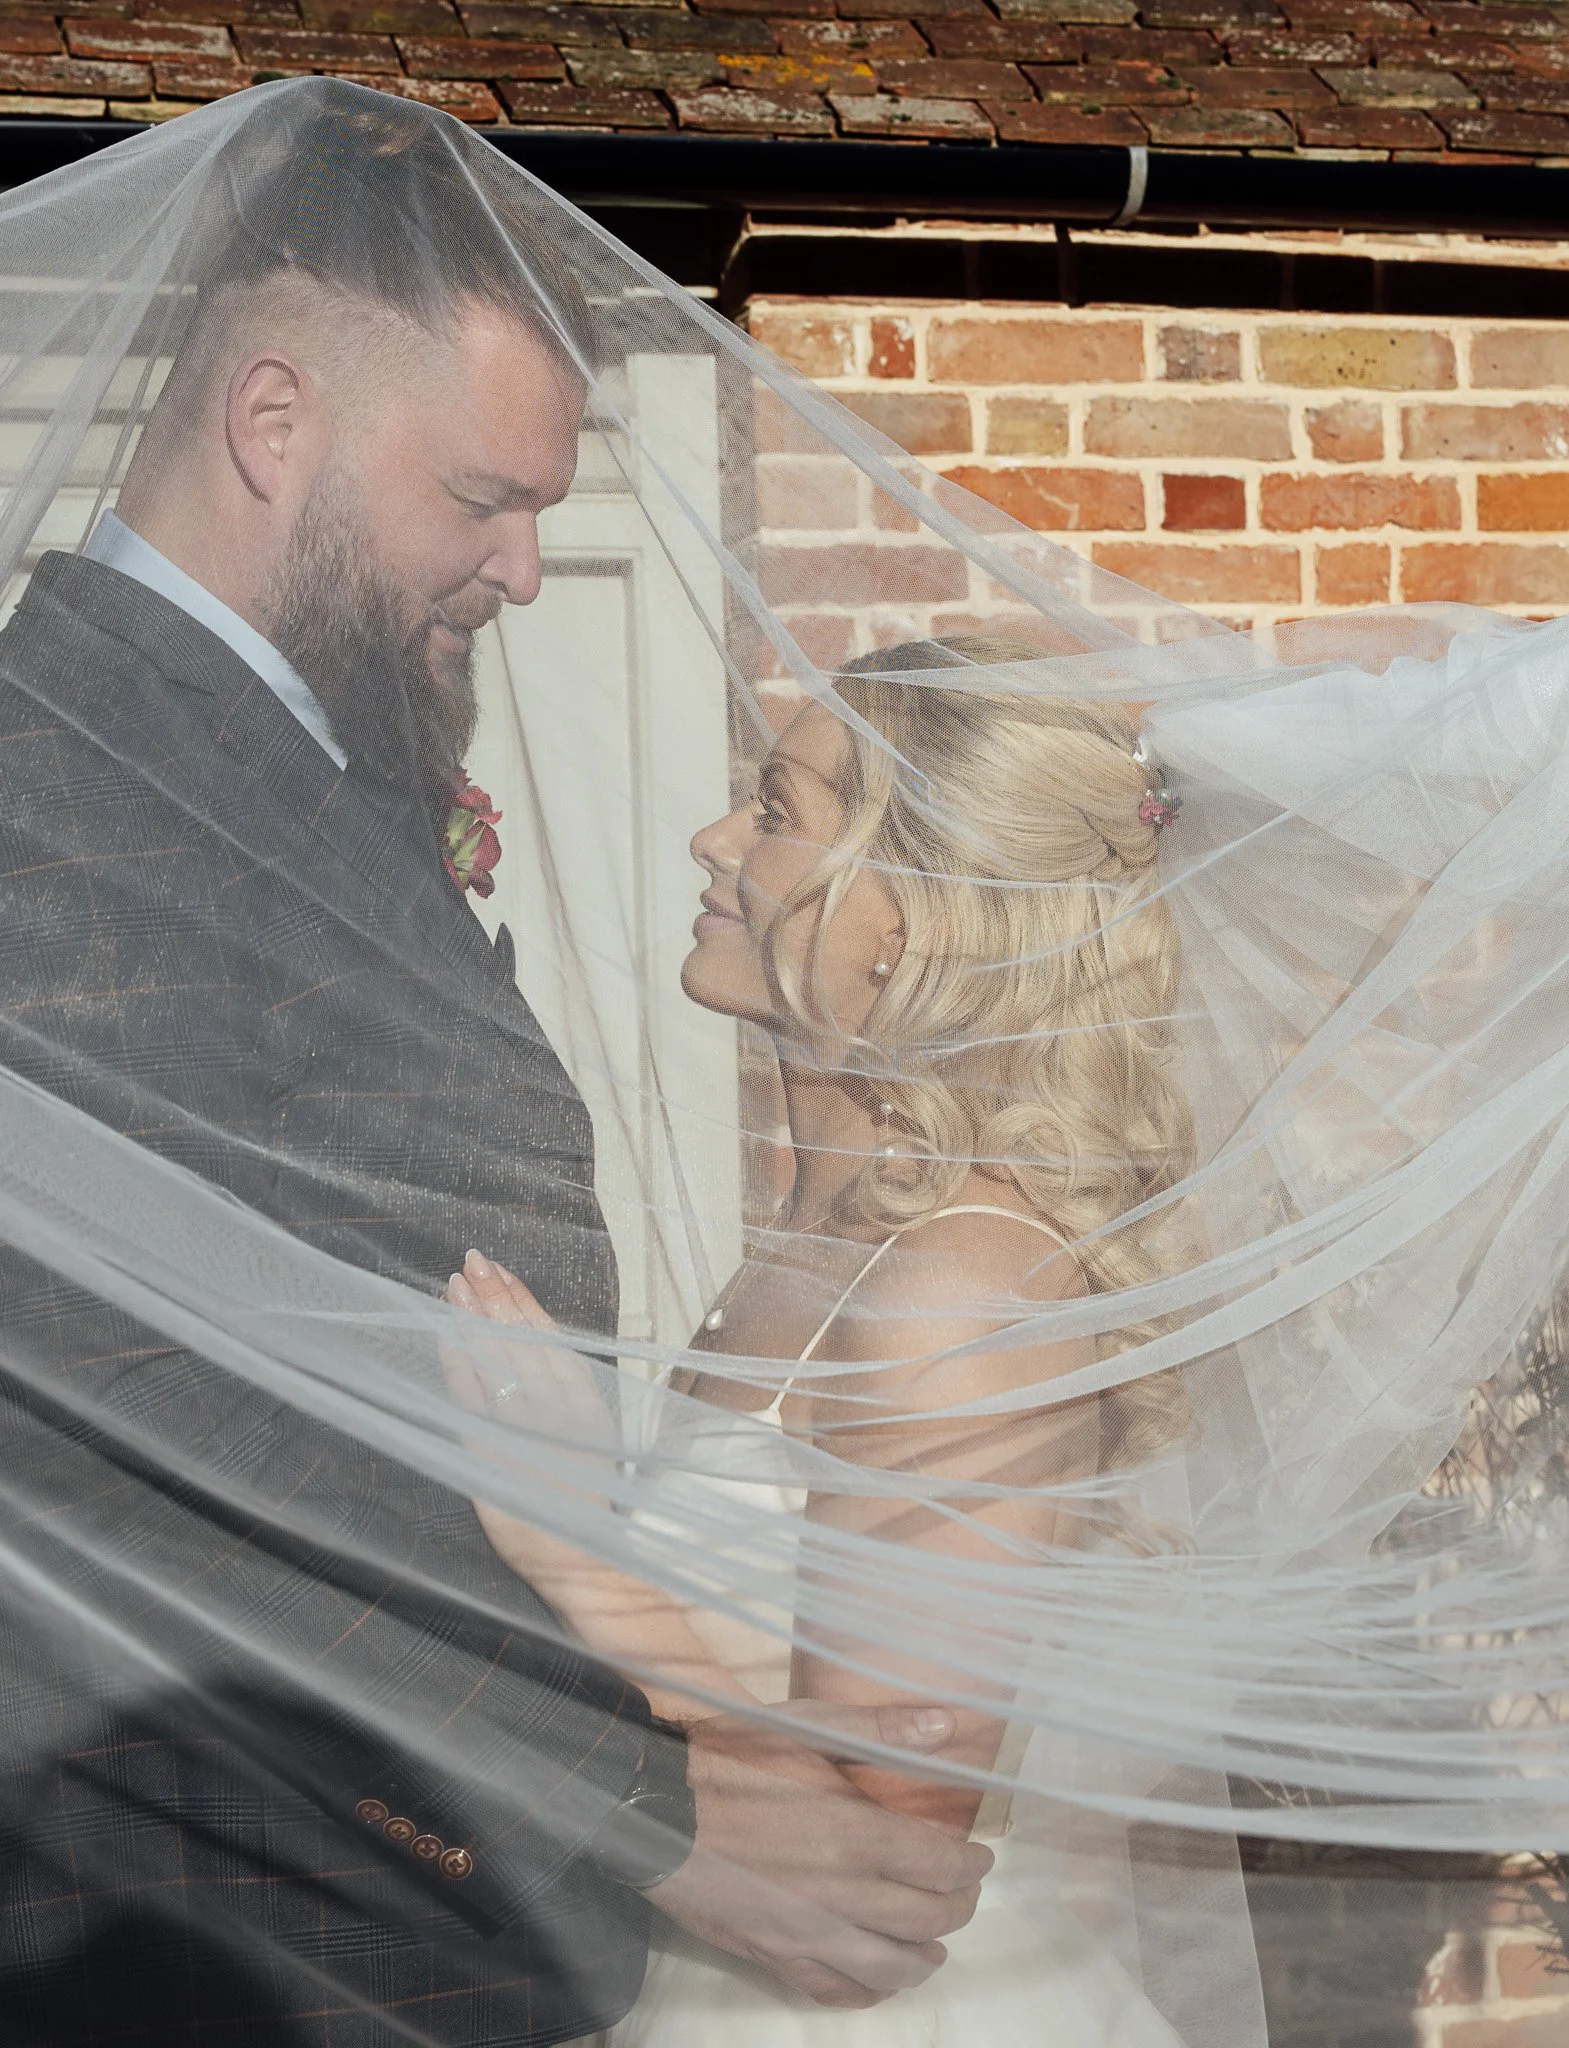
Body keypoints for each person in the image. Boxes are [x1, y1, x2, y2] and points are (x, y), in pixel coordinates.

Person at [0, 93, 989, 2046]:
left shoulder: (302, 748)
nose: (530, 571)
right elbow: (117, 1470)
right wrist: (642, 1815)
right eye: (483, 499)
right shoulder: (55, 809)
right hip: (224, 1940)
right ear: (272, 424)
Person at [449, 637, 1197, 2043]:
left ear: (912, 916)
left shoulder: (962, 1289)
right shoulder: (819, 1231)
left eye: (780, 812)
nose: (713, 837)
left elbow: (886, 1890)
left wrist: (570, 1551)